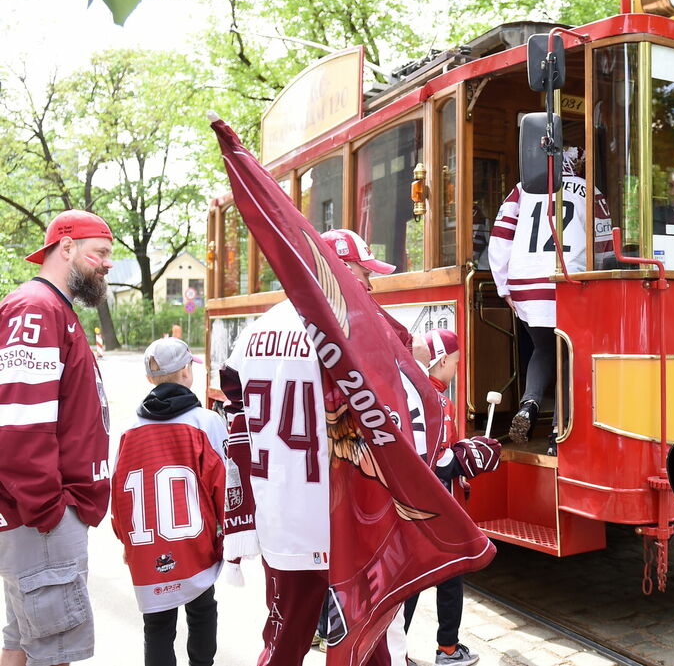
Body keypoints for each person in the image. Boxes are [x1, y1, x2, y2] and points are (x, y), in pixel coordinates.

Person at [220, 227, 400, 666]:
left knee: (283, 643)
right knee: (367, 642)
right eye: (362, 271)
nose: (370, 282)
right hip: (340, 517)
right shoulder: (349, 327)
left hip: (281, 513)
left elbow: (236, 413)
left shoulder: (257, 327)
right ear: (337, 271)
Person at [0, 210, 114, 666]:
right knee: (55, 649)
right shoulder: (36, 307)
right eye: (100, 252)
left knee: (23, 639)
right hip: (41, 516)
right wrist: (48, 510)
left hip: (38, 514)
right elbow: (20, 421)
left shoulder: (50, 307)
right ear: (65, 247)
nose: (108, 264)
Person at [111, 338, 226, 666]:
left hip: (148, 545)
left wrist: (125, 540)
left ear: (150, 378)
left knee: (157, 626)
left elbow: (119, 497)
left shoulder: (130, 430)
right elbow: (223, 485)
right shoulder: (206, 423)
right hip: (195, 540)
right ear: (187, 371)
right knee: (202, 609)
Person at [488, 147, 612, 451]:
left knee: (544, 347)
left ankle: (529, 404)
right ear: (576, 164)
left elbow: (500, 239)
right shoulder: (587, 189)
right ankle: (559, 431)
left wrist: (504, 286)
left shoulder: (521, 190)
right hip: (568, 281)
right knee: (571, 353)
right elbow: (604, 241)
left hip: (525, 282)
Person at [402, 329, 499, 666]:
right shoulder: (438, 399)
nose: (456, 370)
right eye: (455, 363)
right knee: (443, 574)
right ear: (442, 361)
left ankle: (395, 649)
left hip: (410, 506)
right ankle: (447, 649)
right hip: (436, 508)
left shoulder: (408, 391)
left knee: (411, 580)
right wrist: (468, 457)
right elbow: (437, 461)